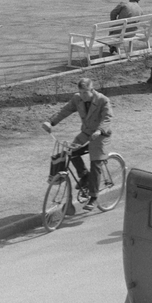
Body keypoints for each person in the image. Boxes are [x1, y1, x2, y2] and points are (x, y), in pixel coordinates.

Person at [42, 77, 112, 208]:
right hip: (86, 133)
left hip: (100, 135)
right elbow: (65, 110)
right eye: (81, 92)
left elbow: (107, 118)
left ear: (92, 90)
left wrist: (100, 130)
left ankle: (93, 197)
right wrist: (50, 122)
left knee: (95, 163)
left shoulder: (103, 100)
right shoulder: (77, 98)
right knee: (71, 151)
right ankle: (84, 176)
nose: (83, 95)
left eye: (85, 92)